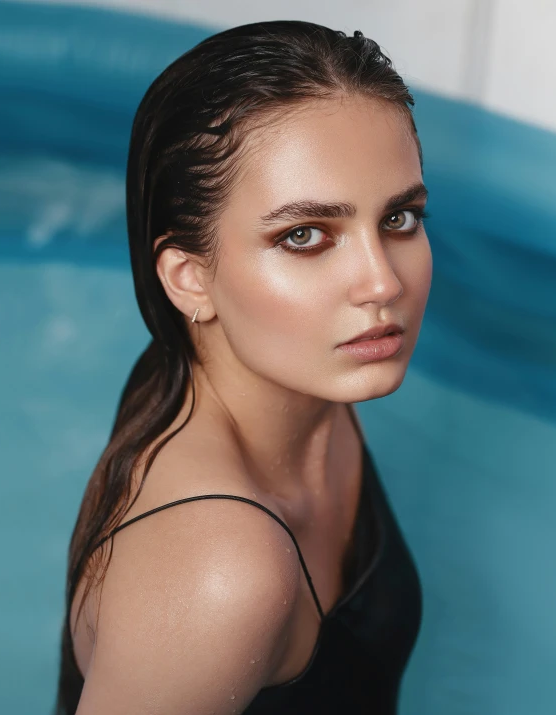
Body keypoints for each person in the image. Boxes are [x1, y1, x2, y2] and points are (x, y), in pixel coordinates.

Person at [54, 19, 432, 715]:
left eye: (400, 218)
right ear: (191, 279)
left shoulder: (306, 377)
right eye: (304, 235)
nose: (382, 283)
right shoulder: (221, 573)